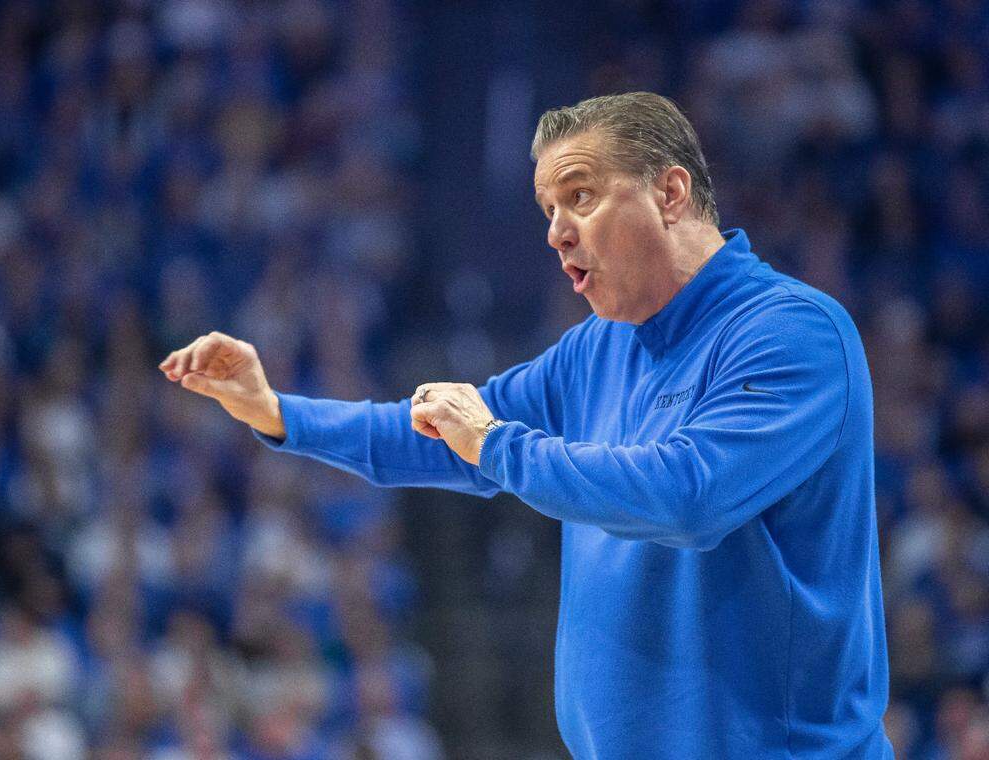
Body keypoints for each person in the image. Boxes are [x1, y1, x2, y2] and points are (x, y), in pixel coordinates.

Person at [160, 92, 893, 759]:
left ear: (670, 193)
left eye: (580, 197)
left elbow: (690, 494)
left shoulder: (792, 333)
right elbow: (439, 433)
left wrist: (498, 445)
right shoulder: (595, 350)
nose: (556, 233)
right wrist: (280, 413)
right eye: (548, 210)